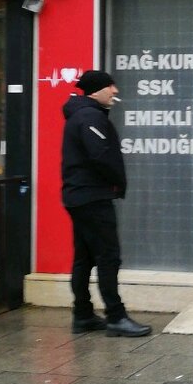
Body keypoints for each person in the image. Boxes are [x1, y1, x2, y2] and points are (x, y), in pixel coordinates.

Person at [61, 69, 151, 337]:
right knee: (108, 256)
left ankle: (82, 315)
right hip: (92, 197)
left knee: (85, 257)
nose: (115, 91)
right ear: (96, 91)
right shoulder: (90, 116)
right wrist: (116, 182)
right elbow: (100, 156)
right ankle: (116, 317)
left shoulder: (82, 114)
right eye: (110, 86)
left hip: (80, 196)